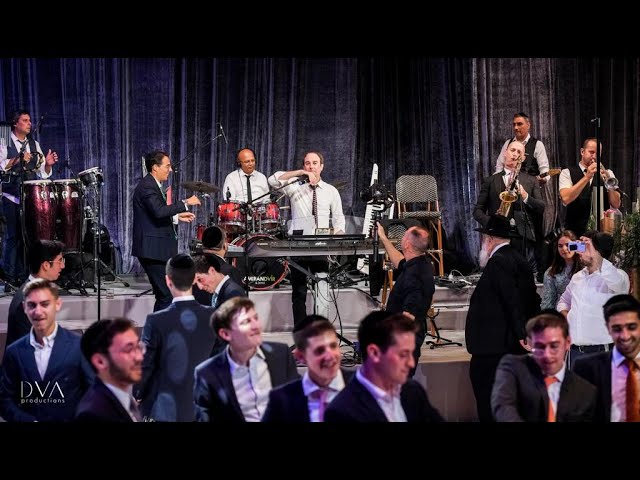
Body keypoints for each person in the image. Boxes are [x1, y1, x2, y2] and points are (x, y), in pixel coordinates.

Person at [465, 214, 541, 422]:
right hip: (509, 348)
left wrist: (521, 333)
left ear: (489, 239)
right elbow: (532, 299)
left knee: (490, 406)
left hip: (493, 350)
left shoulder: (498, 262)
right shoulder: (519, 259)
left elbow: (511, 299)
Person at [134, 254, 217, 422]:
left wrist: (138, 393)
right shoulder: (213, 316)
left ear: (167, 280)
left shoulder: (156, 321)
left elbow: (146, 364)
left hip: (165, 410)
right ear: (194, 279)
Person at [268, 151, 345, 326]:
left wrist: (338, 235)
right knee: (299, 292)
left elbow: (339, 218)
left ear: (322, 166)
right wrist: (300, 173)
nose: (311, 166)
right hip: (299, 244)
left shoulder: (331, 191)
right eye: (307, 163)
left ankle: (321, 327)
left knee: (322, 289)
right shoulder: (295, 187)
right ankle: (301, 329)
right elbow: (273, 180)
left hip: (321, 245)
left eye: (315, 163)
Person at [324, 311, 444, 423]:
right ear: (374, 353)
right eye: (403, 354)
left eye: (411, 353)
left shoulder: (412, 391)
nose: (411, 363)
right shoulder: (342, 411)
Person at [193, 297, 299, 423]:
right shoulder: (207, 374)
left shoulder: (281, 354)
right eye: (246, 321)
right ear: (225, 334)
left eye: (256, 318)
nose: (256, 326)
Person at [0, 279, 92, 422]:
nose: (38, 311)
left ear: (58, 304)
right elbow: (5, 400)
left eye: (45, 304)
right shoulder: (14, 352)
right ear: (24, 307)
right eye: (32, 305)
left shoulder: (78, 347)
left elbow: (93, 394)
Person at [491, 310, 596, 422]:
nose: (547, 354)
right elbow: (504, 406)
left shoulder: (585, 391)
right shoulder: (514, 368)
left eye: (554, 346)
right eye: (540, 346)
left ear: (567, 343)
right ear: (530, 343)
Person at [132, 150, 200, 311]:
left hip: (156, 249)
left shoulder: (152, 184)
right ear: (155, 167)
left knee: (165, 294)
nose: (170, 170)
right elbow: (158, 211)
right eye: (167, 166)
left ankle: (160, 325)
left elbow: (154, 214)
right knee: (165, 295)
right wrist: (185, 203)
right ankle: (158, 326)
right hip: (152, 250)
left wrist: (176, 217)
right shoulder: (147, 186)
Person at [0, 110, 59, 287]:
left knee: (28, 236)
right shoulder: (4, 141)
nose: (29, 123)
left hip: (29, 198)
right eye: (25, 120)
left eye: (30, 121)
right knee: (13, 237)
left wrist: (47, 165)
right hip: (11, 196)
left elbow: (43, 173)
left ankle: (26, 275)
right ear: (15, 123)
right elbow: (2, 166)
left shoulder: (34, 144)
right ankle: (9, 277)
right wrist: (18, 159)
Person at [262, 314, 354, 422]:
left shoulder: (362, 387)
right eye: (320, 351)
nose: (330, 356)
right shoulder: (281, 400)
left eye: (333, 346)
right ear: (301, 357)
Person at [557, 231, 629, 367]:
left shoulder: (618, 276)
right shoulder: (577, 277)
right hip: (575, 352)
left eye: (585, 247)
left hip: (602, 352)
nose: (580, 252)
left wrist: (597, 257)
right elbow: (563, 301)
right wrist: (567, 316)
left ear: (598, 251)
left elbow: (618, 283)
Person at [475, 140, 545, 278]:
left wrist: (525, 196)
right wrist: (492, 223)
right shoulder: (490, 181)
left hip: (520, 236)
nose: (515, 154)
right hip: (497, 235)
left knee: (519, 276)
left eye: (519, 152)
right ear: (505, 153)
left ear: (523, 158)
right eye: (512, 150)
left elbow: (541, 207)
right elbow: (477, 211)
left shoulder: (531, 181)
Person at [376, 222, 434, 376]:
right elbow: (400, 262)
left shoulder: (414, 277)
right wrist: (383, 238)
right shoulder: (420, 263)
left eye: (404, 236)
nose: (401, 238)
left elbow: (408, 316)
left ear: (407, 244)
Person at [574, 294, 640, 422]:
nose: (625, 336)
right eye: (617, 329)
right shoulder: (585, 368)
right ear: (608, 328)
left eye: (631, 327)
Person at [75, 317, 145, 422]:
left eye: (138, 347)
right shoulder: (93, 414)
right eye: (128, 349)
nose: (139, 357)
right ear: (100, 361)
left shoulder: (125, 399)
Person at [4, 239, 65, 357]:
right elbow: (27, 350)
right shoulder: (27, 301)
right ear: (46, 265)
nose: (62, 266)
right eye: (60, 261)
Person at [559, 138, 621, 238]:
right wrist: (587, 177)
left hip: (600, 234)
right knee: (578, 248)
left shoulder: (608, 173)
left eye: (598, 153)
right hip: (575, 234)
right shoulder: (566, 172)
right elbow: (566, 198)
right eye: (591, 152)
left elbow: (616, 204)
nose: (595, 156)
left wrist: (609, 184)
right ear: (582, 152)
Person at [494, 112, 551, 182]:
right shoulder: (508, 143)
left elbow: (544, 169)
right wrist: (497, 182)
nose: (516, 127)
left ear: (528, 125)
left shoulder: (538, 145)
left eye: (519, 124)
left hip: (530, 187)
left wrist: (543, 179)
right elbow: (500, 166)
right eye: (514, 124)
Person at [540, 230, 581, 310]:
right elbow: (548, 300)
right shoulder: (551, 272)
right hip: (560, 313)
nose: (564, 249)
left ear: (576, 245)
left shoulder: (586, 269)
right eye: (560, 246)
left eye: (568, 245)